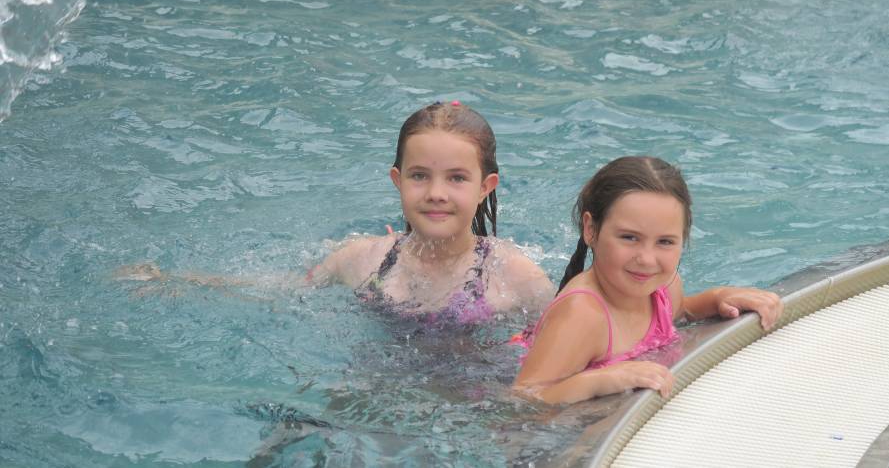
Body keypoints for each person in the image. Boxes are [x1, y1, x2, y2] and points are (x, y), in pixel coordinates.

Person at [118, 102, 554, 324]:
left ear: (485, 186)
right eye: (420, 176)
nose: (436, 193)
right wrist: (177, 283)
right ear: (397, 180)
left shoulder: (516, 276)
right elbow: (280, 289)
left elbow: (566, 341)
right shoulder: (362, 259)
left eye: (456, 178)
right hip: (372, 395)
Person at [512, 156, 783, 404]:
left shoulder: (663, 285)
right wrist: (600, 380)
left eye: (665, 242)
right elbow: (524, 397)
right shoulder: (583, 315)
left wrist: (717, 298)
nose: (647, 259)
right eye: (629, 237)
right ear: (591, 229)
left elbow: (680, 312)